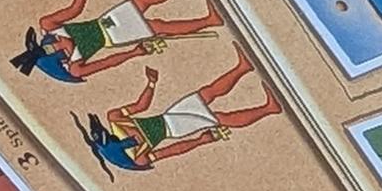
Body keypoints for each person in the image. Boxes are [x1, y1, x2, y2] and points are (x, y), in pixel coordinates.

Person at [11, 0, 225, 84]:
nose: (51, 46)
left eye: (45, 46)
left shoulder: (49, 26)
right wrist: (134, 52)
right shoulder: (74, 67)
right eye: (48, 50)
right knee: (159, 26)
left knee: (141, 1)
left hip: (104, 20)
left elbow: (73, 10)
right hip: (114, 36)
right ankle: (210, 20)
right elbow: (108, 62)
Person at [80, 53, 280, 170]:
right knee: (219, 117)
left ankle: (243, 68)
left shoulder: (115, 120)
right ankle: (269, 108)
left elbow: (141, 106)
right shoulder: (138, 156)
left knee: (207, 93)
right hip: (175, 128)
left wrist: (151, 84)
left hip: (168, 116)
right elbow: (173, 150)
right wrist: (200, 141)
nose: (106, 133)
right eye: (104, 137)